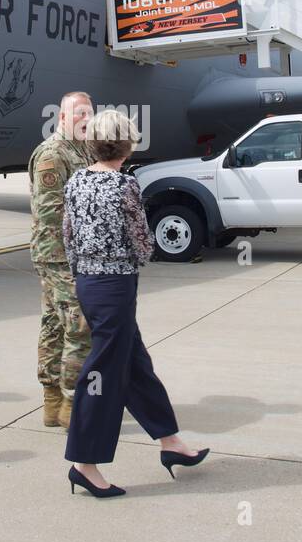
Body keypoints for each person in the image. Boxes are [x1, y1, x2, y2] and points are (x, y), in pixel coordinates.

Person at [62, 108, 207, 498]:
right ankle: (84, 462)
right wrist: (137, 258)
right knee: (102, 373)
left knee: (133, 362)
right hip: (116, 284)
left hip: (88, 282)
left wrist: (82, 269)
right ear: (126, 146)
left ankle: (170, 442)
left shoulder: (76, 181)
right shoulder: (124, 186)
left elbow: (68, 233)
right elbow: (142, 240)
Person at [29, 91, 95, 429]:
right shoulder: (53, 154)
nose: (85, 118)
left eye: (89, 112)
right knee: (80, 323)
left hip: (73, 253)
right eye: (79, 112)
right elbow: (51, 213)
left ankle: (52, 402)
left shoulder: (82, 150)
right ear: (63, 117)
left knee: (55, 325)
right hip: (57, 254)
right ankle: (70, 402)